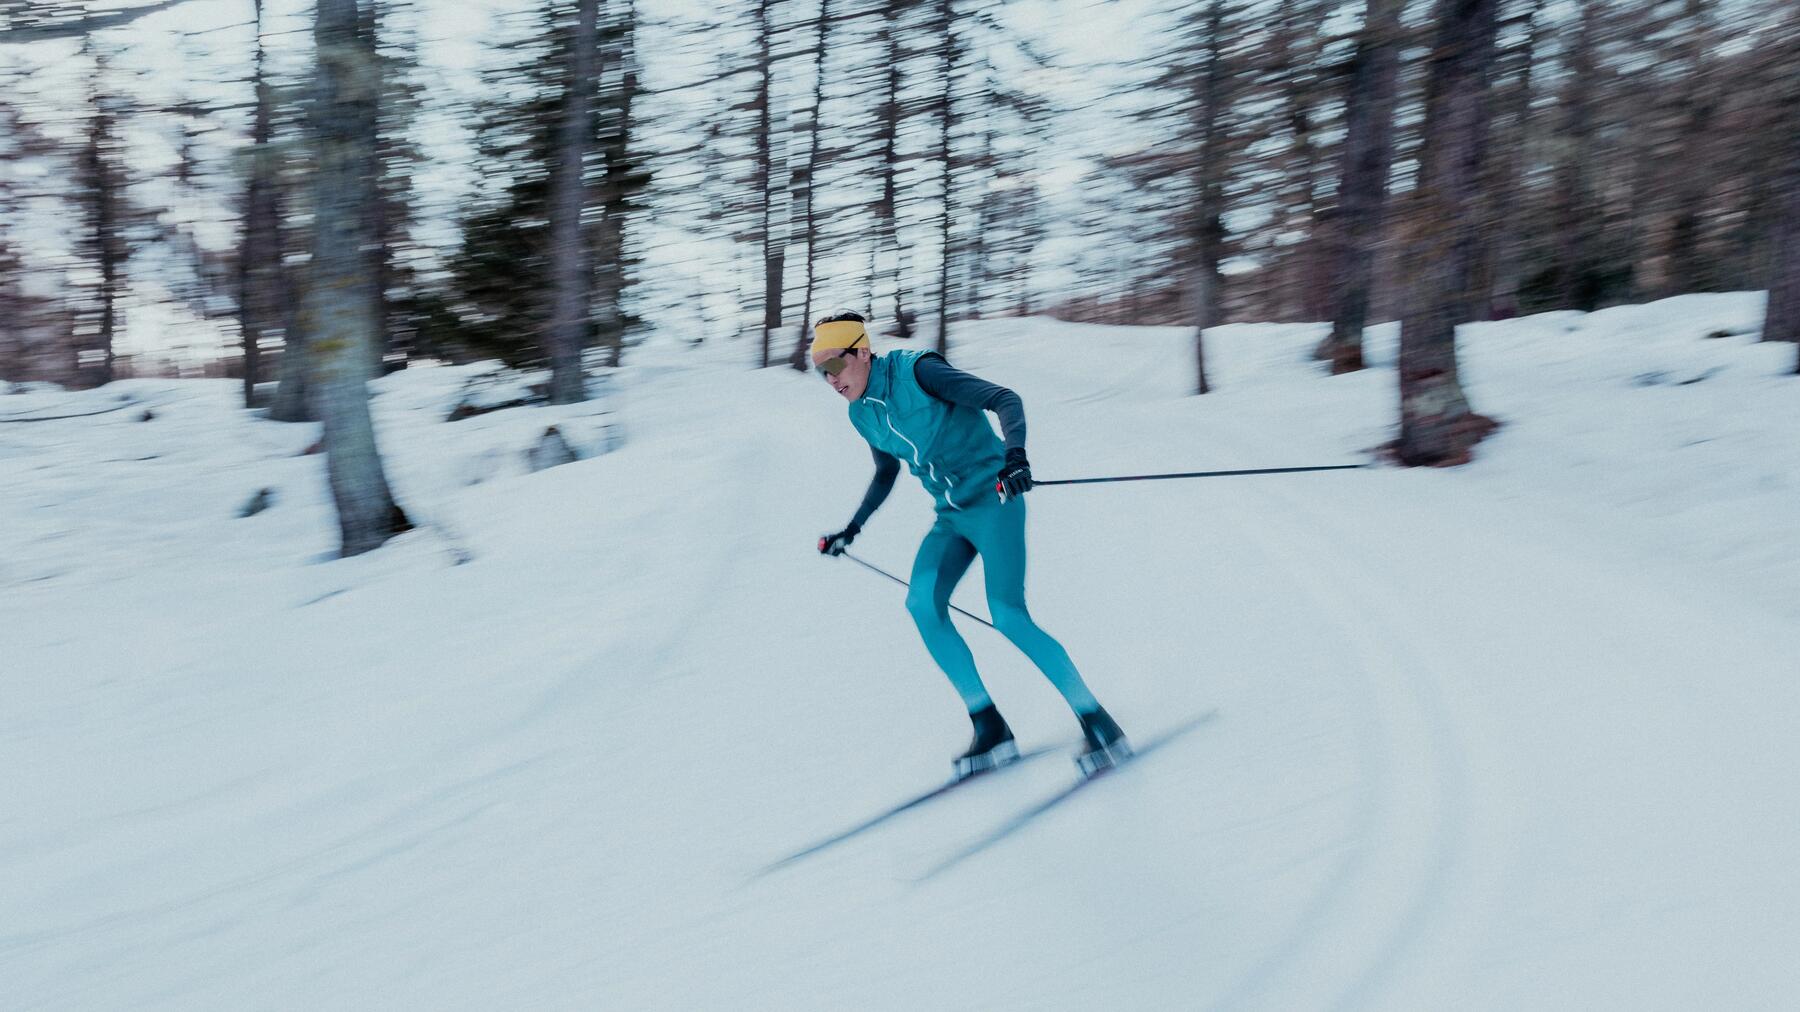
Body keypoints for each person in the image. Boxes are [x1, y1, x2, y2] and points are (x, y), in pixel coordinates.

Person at [810, 309, 1130, 779]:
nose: (831, 380)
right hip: (951, 513)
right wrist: (851, 528)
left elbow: (1005, 399)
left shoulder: (919, 371)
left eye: (834, 366)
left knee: (1008, 616)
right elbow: (886, 471)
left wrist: (1015, 457)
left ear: (861, 351)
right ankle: (989, 725)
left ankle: (1098, 721)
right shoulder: (861, 413)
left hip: (995, 498)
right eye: (821, 373)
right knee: (922, 604)